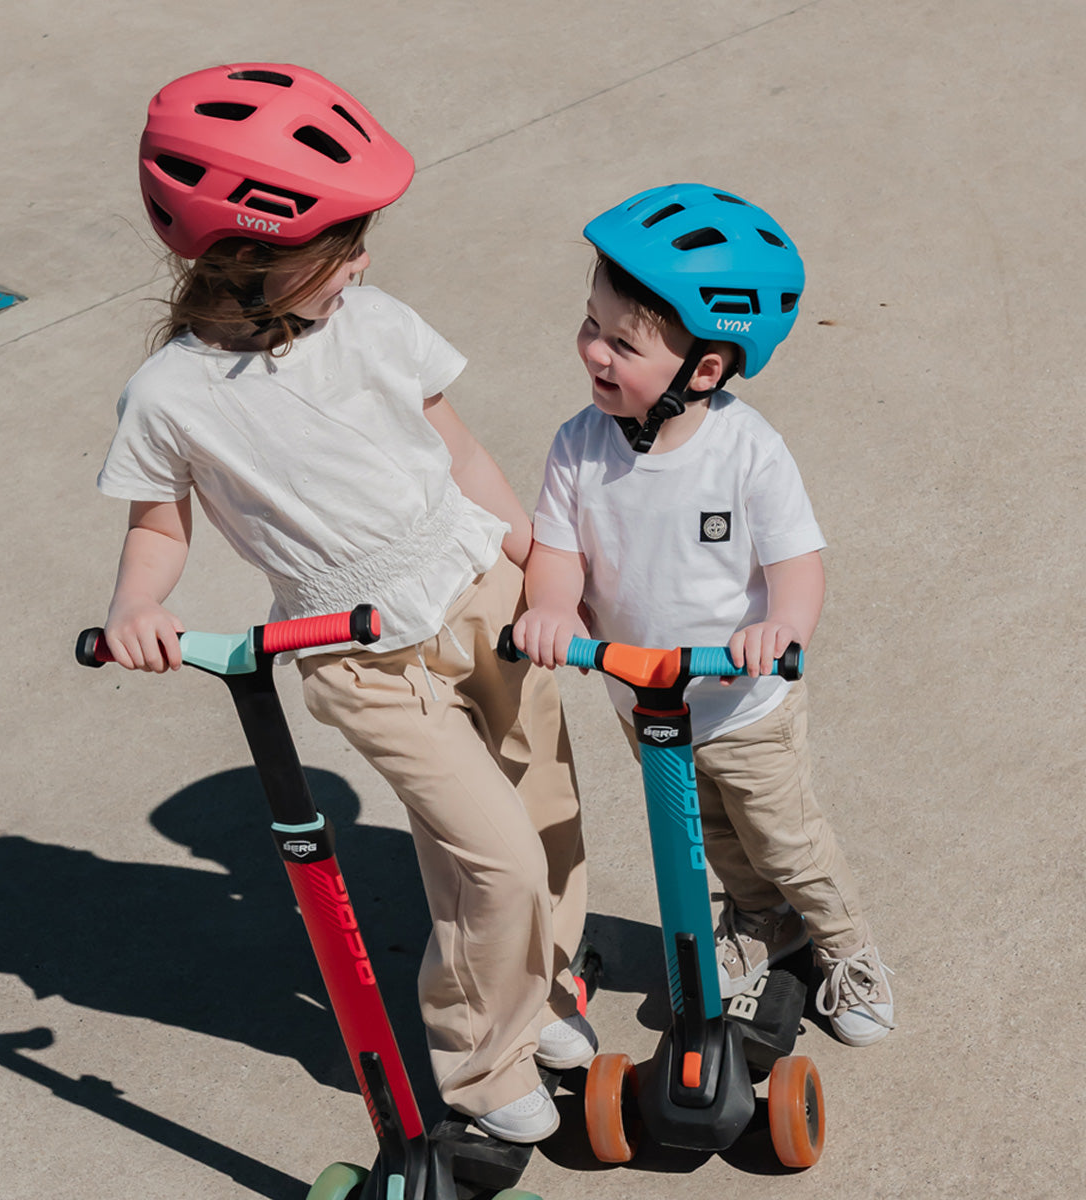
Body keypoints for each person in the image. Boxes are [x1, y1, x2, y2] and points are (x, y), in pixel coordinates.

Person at [95, 63, 595, 1140]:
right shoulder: (171, 396)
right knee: (494, 857)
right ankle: (482, 1063)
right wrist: (137, 604)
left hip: (485, 595)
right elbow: (158, 525)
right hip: (361, 655)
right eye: (340, 244)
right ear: (246, 257)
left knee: (545, 819)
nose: (362, 261)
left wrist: (539, 566)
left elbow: (460, 454)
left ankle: (547, 992)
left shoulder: (374, 321)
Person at [512, 184, 894, 1047]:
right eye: (591, 324)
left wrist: (783, 628)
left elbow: (797, 562)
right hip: (646, 702)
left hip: (746, 703)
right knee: (713, 840)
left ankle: (846, 947)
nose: (595, 351)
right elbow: (558, 548)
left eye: (623, 343)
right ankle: (761, 922)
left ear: (706, 370)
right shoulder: (578, 444)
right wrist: (552, 604)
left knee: (786, 841)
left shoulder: (745, 450)